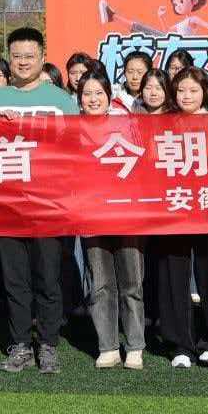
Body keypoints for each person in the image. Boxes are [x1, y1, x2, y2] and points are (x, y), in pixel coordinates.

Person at [0, 27, 78, 374]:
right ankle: (20, 344)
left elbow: (74, 149)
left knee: (48, 278)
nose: (23, 62)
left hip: (48, 205)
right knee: (15, 280)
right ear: (9, 58)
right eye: (17, 56)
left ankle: (48, 344)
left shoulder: (61, 100)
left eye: (29, 56)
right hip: (7, 206)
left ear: (42, 57)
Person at [153, 67, 208, 368]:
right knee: (173, 274)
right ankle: (180, 344)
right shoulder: (166, 123)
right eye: (181, 90)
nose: (186, 96)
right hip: (174, 208)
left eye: (193, 91)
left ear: (205, 93)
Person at [77, 68, 146, 368]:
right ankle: (107, 345)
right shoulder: (73, 129)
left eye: (99, 93)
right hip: (90, 216)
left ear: (109, 96)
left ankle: (135, 346)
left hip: (126, 214)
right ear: (79, 98)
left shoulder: (125, 124)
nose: (93, 99)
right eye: (87, 94)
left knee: (132, 282)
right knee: (101, 283)